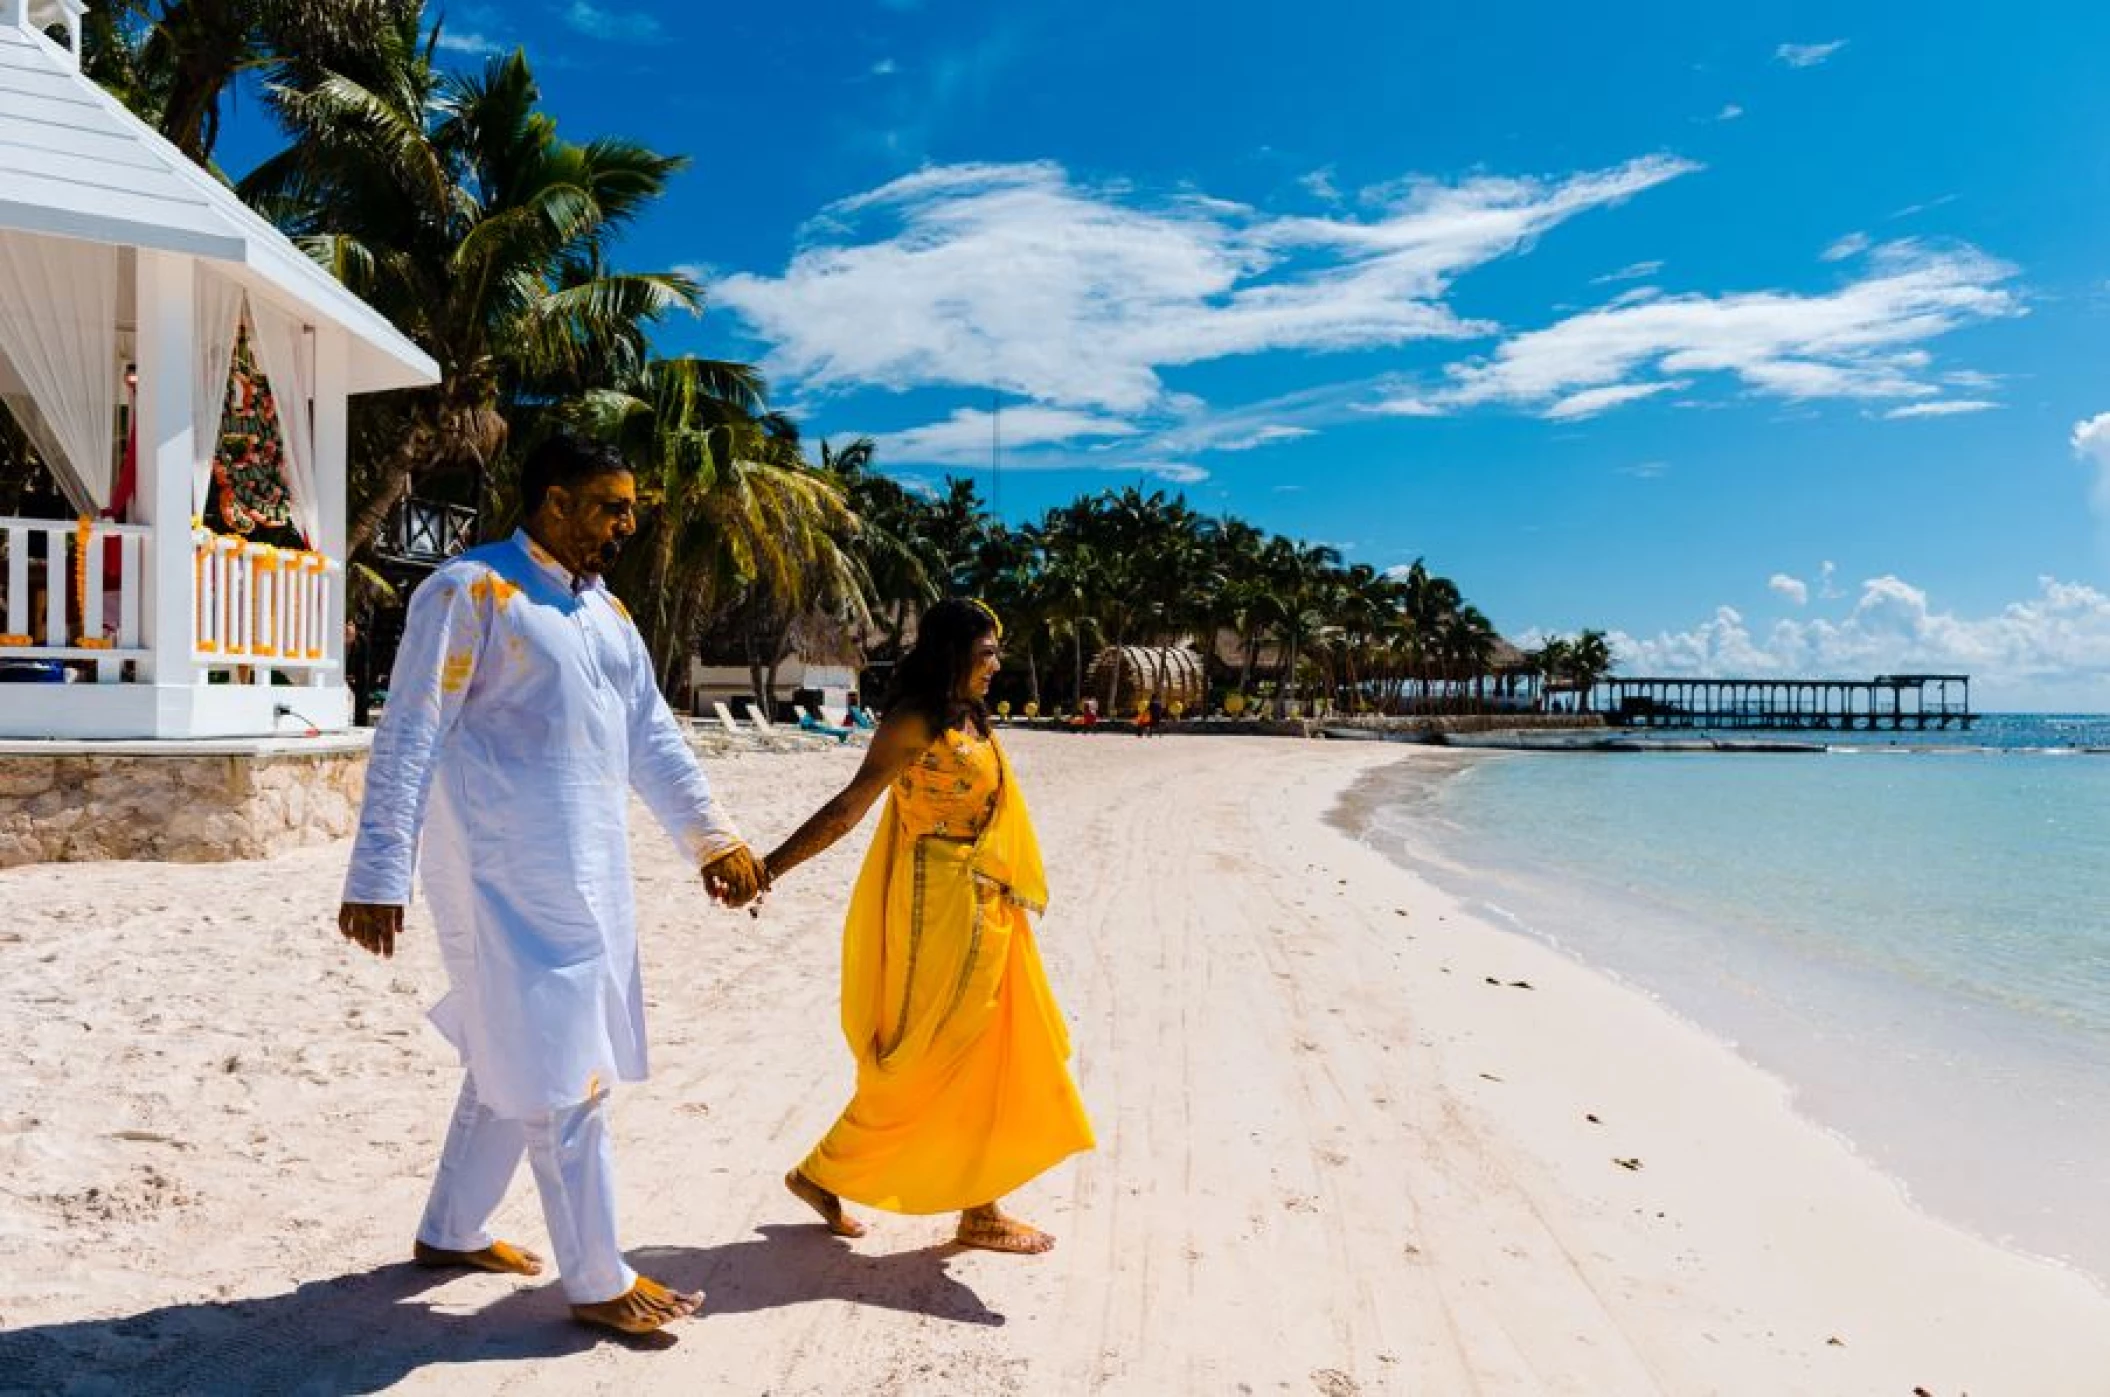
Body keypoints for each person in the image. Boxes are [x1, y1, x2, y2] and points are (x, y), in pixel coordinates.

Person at [337, 432, 766, 1337]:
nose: (627, 525)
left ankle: (451, 1228)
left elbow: (654, 738)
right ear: (555, 500)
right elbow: (410, 727)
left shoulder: (607, 614)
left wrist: (711, 839)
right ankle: (599, 1276)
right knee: (564, 1067)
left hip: (590, 873)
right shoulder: (471, 591)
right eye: (612, 506)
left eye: (632, 510)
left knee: (512, 1046)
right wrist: (381, 868)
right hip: (497, 875)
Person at [764, 599, 1094, 1252]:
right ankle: (823, 1170)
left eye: (998, 650)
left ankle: (979, 1206)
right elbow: (849, 807)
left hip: (985, 908)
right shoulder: (913, 721)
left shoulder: (970, 715)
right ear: (952, 654)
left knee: (981, 1050)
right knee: (923, 1055)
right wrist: (771, 865)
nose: (997, 664)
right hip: (933, 908)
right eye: (986, 652)